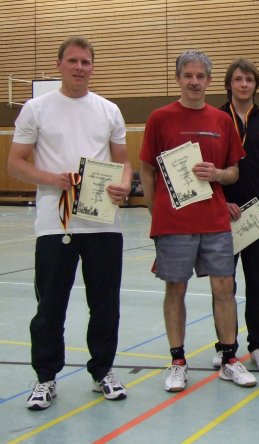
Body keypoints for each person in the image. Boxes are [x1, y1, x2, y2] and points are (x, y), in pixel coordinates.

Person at [8, 36, 131, 410]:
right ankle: (46, 377)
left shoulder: (109, 109)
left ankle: (102, 372)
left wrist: (124, 185)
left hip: (103, 226)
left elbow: (124, 161)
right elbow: (16, 163)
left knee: (105, 305)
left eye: (86, 62)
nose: (80, 67)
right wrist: (52, 180)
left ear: (93, 66)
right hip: (54, 223)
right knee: (50, 306)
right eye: (73, 61)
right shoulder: (35, 108)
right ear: (59, 64)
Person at [140, 50, 256, 391]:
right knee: (175, 289)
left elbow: (234, 172)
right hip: (173, 224)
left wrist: (218, 173)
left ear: (208, 80)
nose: (194, 81)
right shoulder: (159, 119)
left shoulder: (222, 121)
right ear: (178, 78)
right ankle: (177, 361)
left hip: (215, 221)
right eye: (188, 75)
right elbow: (147, 170)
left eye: (200, 76)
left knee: (224, 288)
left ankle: (230, 358)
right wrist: (154, 210)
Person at [210, 59, 259, 373]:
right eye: (238, 79)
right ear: (229, 84)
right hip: (220, 214)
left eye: (249, 80)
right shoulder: (213, 119)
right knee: (223, 287)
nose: (243, 84)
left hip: (256, 215)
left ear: (255, 85)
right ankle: (226, 347)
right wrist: (219, 203)